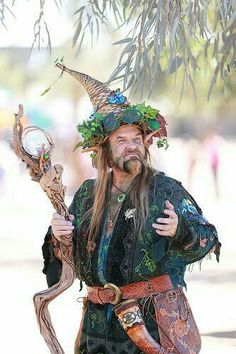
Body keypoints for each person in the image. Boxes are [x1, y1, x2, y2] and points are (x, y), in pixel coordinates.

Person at [42, 64, 221, 354]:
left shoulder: (165, 190)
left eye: (136, 139)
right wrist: (59, 235)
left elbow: (208, 238)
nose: (131, 146)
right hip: (97, 326)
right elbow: (68, 259)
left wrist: (180, 229)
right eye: (121, 140)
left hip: (151, 325)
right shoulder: (88, 194)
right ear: (104, 149)